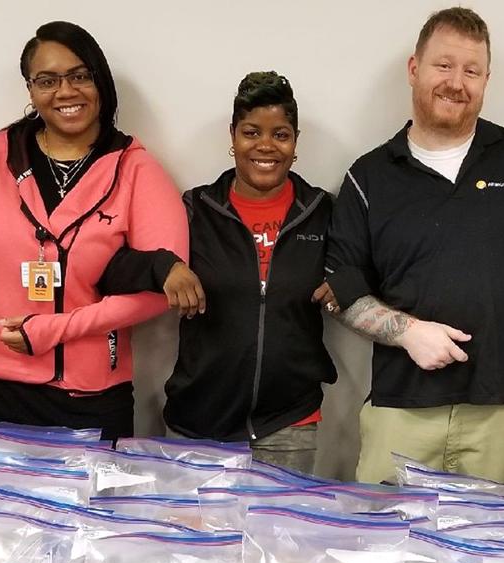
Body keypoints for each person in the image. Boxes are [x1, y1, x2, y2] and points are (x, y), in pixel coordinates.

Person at [322, 7, 504, 484]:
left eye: (471, 70)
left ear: (486, 79)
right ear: (414, 68)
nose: (456, 82)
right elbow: (344, 291)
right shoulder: (369, 176)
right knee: (387, 552)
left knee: (494, 554)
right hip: (401, 410)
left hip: (503, 411)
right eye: (443, 65)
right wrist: (407, 332)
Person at [0, 21, 188, 442]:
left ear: (99, 80)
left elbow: (162, 291)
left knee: (86, 511)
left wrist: (54, 330)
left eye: (80, 76)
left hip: (89, 396)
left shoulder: (138, 170)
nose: (66, 92)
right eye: (47, 80)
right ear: (30, 90)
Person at [97, 71, 337, 473]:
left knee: (277, 536)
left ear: (296, 142)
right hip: (198, 425)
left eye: (280, 135)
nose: (265, 146)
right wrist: (165, 267)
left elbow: (369, 262)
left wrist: (348, 280)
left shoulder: (322, 212)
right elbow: (112, 267)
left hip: (288, 427)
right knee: (196, 535)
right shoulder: (195, 209)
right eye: (251, 132)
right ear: (232, 136)